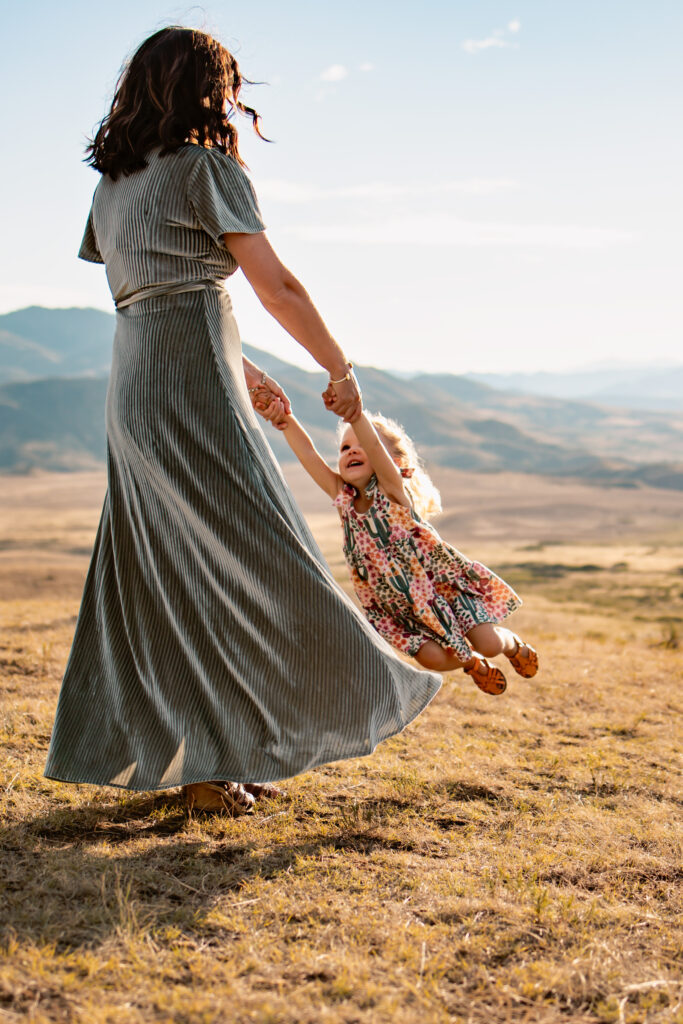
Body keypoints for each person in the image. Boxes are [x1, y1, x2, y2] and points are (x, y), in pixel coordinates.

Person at [44, 26, 442, 816]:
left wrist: (242, 363)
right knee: (258, 552)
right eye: (224, 86)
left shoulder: (110, 189)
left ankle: (205, 757)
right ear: (205, 89)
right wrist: (339, 368)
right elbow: (276, 287)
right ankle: (249, 739)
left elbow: (144, 292)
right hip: (189, 376)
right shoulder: (204, 169)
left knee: (166, 569)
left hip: (136, 380)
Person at [257, 401, 539, 694]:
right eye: (344, 448)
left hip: (441, 588)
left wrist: (354, 413)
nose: (352, 451)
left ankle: (513, 645)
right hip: (398, 606)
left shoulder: (391, 491)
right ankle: (472, 663)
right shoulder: (343, 499)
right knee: (432, 658)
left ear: (392, 461)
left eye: (362, 444)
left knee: (490, 644)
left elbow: (377, 451)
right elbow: (308, 454)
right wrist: (284, 418)